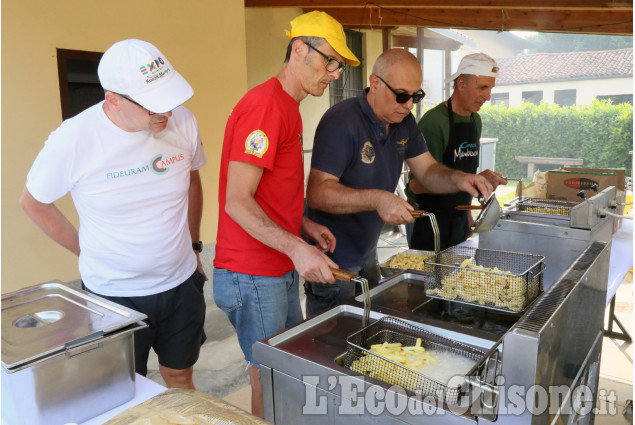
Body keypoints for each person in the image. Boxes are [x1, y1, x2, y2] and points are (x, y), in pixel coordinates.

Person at [19, 39, 207, 390]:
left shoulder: (183, 122)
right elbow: (33, 202)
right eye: (154, 106)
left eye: (170, 99)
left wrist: (194, 246)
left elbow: (192, 181)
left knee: (180, 377)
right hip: (113, 294)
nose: (166, 113)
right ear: (113, 101)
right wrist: (84, 250)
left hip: (181, 283)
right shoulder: (74, 139)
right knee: (122, 387)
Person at [212, 11, 359, 418]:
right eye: (330, 61)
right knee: (270, 374)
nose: (334, 74)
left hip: (275, 268)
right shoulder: (264, 106)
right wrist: (298, 248)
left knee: (288, 366)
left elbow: (269, 197)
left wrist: (305, 226)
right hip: (253, 273)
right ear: (299, 50)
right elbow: (237, 201)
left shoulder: (288, 107)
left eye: (340, 66)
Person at [304, 48, 494, 318]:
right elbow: (318, 193)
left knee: (367, 328)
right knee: (330, 343)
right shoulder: (341, 121)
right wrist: (378, 198)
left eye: (416, 97)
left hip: (368, 252)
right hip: (333, 257)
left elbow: (427, 170)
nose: (408, 105)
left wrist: (462, 179)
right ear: (376, 83)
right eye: (402, 95)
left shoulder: (404, 123)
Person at [407, 52, 508, 251]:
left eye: (490, 89)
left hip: (460, 217)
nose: (488, 97)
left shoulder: (475, 120)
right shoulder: (435, 122)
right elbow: (417, 186)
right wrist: (468, 180)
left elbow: (467, 167)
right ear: (461, 84)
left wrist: (468, 212)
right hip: (430, 220)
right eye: (483, 88)